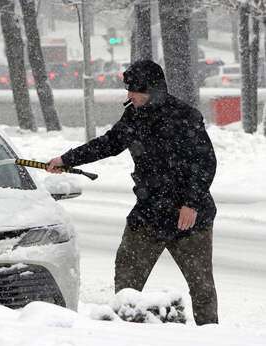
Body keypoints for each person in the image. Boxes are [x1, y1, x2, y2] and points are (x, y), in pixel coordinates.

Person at [47, 60, 218, 325]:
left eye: (135, 90)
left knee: (202, 287)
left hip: (190, 217)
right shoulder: (135, 116)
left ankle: (212, 336)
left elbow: (205, 163)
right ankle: (125, 332)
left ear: (154, 89)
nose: (129, 95)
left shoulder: (185, 117)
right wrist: (66, 160)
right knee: (127, 278)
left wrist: (191, 203)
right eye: (129, 89)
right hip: (149, 212)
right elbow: (108, 144)